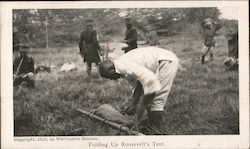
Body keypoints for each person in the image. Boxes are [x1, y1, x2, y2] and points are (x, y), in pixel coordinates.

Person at [99, 46, 179, 132]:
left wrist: (143, 105)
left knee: (157, 99)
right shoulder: (119, 68)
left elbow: (151, 80)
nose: (112, 79)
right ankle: (150, 124)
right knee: (150, 99)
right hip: (158, 61)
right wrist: (133, 104)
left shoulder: (125, 66)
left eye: (110, 77)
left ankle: (155, 131)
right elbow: (138, 85)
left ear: (112, 69)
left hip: (166, 61)